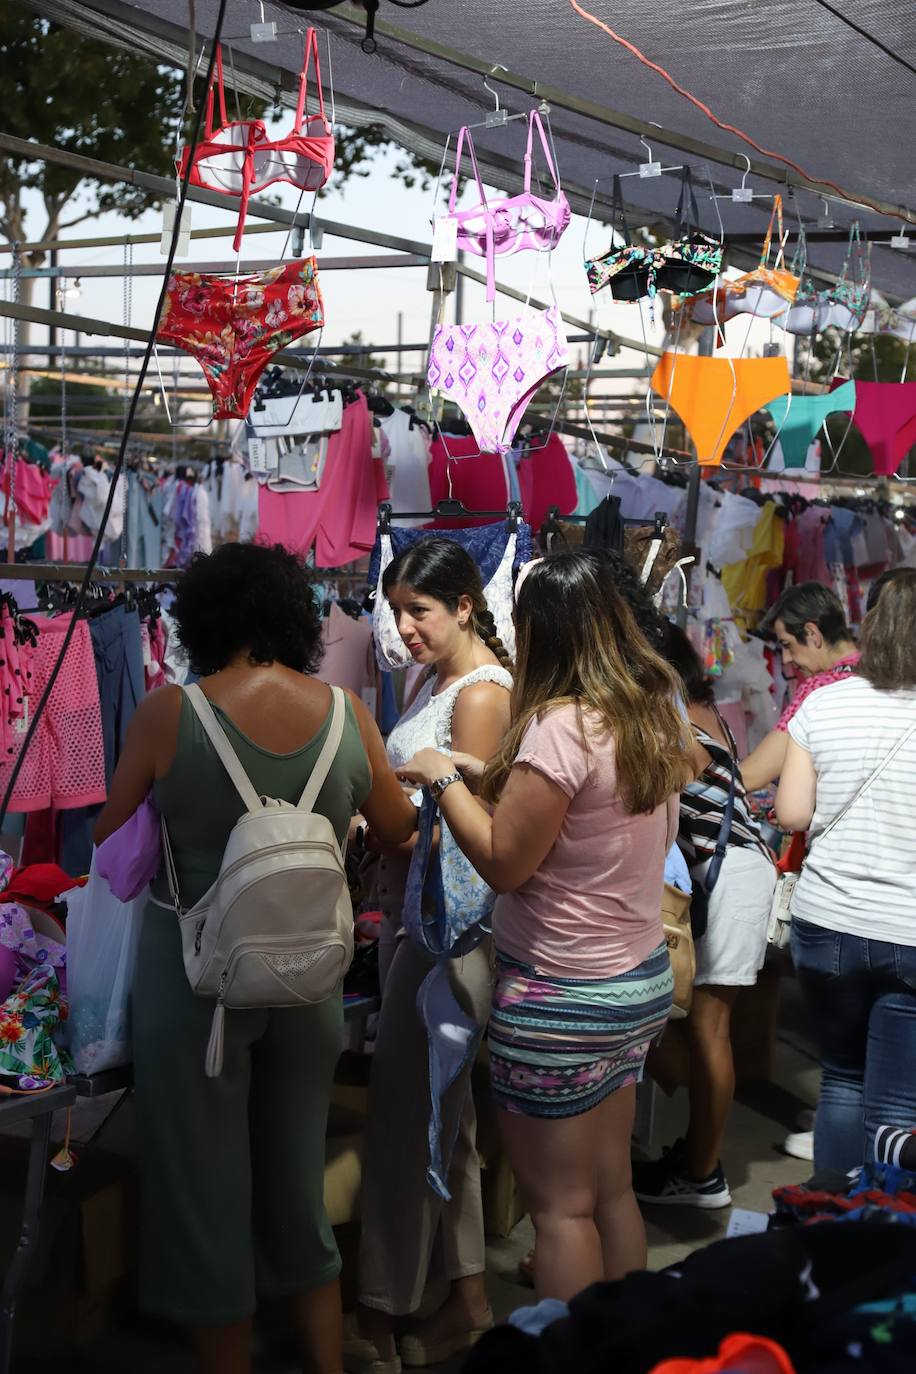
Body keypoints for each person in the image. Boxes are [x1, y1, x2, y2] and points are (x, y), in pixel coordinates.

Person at [95, 542, 418, 1374]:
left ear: (199, 619)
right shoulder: (348, 712)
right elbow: (397, 828)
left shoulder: (173, 713)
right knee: (295, 1186)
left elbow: (104, 834)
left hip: (197, 992)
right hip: (309, 983)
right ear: (293, 618)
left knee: (205, 1196)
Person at [395, 550, 692, 1302]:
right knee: (612, 1190)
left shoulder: (558, 725)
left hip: (562, 994)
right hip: (634, 984)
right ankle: (629, 1342)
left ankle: (568, 1353)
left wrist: (443, 775)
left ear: (544, 634)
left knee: (560, 1211)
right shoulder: (647, 708)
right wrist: (483, 770)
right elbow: (587, 807)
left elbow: (502, 861)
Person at [347, 538, 513, 1374]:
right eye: (397, 610)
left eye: (420, 611)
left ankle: (380, 1307)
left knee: (408, 1124)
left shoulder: (482, 696)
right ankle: (468, 1301)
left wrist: (374, 814)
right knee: (446, 1126)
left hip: (451, 929)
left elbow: (458, 836)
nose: (404, 628)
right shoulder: (432, 678)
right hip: (417, 918)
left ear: (465, 607)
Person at [776, 569, 916, 1173]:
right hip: (909, 930)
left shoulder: (825, 702)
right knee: (896, 1104)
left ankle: (827, 1221)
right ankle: (879, 1237)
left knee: (841, 1079)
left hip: (829, 920)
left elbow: (792, 814)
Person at [633, 623, 776, 1209]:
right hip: (735, 874)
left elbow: (649, 793)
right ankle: (697, 1158)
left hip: (732, 878)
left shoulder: (680, 726)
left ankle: (702, 1173)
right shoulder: (700, 709)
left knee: (707, 1030)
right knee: (691, 1026)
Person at [740, 582, 859, 793]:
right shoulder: (881, 671)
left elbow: (752, 775)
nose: (786, 659)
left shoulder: (819, 690)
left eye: (787, 644)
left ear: (812, 633)